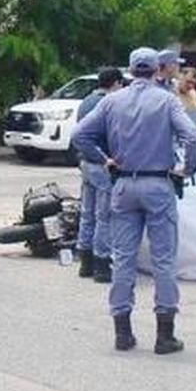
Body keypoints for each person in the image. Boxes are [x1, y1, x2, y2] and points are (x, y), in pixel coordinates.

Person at [72, 47, 196, 355]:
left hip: (124, 185)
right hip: (158, 184)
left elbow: (80, 135)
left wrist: (105, 159)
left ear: (130, 71)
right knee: (163, 261)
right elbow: (193, 137)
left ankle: (123, 332)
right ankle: (164, 335)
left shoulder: (112, 101)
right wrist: (188, 169)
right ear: (158, 69)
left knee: (124, 259)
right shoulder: (167, 100)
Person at [73, 66, 124, 283]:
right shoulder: (109, 104)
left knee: (87, 213)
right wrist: (107, 159)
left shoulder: (86, 101)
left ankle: (85, 262)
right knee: (105, 217)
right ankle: (102, 264)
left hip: (86, 163)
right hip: (103, 164)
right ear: (116, 83)